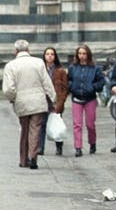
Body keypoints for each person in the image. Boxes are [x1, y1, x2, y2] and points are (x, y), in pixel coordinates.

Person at [2, 39, 56, 169]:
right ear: (28, 50)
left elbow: (8, 89)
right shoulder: (38, 62)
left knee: (24, 130)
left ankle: (23, 160)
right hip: (38, 101)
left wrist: (13, 98)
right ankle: (33, 157)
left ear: (15, 51)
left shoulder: (10, 66)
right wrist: (53, 98)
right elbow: (47, 83)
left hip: (21, 102)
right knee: (35, 129)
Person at [67, 44, 105, 157]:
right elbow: (68, 80)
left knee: (90, 124)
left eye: (84, 53)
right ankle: (78, 147)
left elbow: (101, 81)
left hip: (90, 98)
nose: (82, 56)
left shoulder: (95, 68)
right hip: (76, 98)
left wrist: (93, 87)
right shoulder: (73, 68)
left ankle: (92, 143)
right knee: (77, 124)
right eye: (79, 53)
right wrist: (71, 87)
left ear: (88, 54)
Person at [38, 46, 69, 155]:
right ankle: (40, 147)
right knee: (42, 124)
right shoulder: (40, 70)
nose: (50, 56)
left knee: (57, 124)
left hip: (56, 101)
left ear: (55, 56)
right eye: (47, 54)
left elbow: (65, 88)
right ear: (44, 56)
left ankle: (59, 146)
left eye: (52, 54)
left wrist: (61, 101)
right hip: (43, 101)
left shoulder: (60, 71)